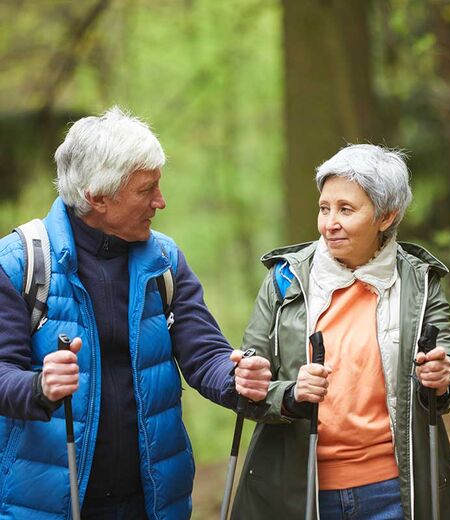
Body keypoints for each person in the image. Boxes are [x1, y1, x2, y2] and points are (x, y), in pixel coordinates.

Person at [0, 107, 271, 520]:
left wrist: (236, 377)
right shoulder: (20, 264)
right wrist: (39, 386)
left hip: (152, 502)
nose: (160, 202)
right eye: (147, 190)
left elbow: (204, 353)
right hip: (44, 503)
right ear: (98, 197)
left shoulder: (164, 260)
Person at [231, 144, 450, 520]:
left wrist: (440, 379)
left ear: (386, 216)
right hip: (299, 490)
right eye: (324, 208)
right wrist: (290, 394)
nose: (330, 223)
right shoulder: (285, 279)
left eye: (346, 209)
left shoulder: (419, 282)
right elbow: (249, 385)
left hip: (393, 491)